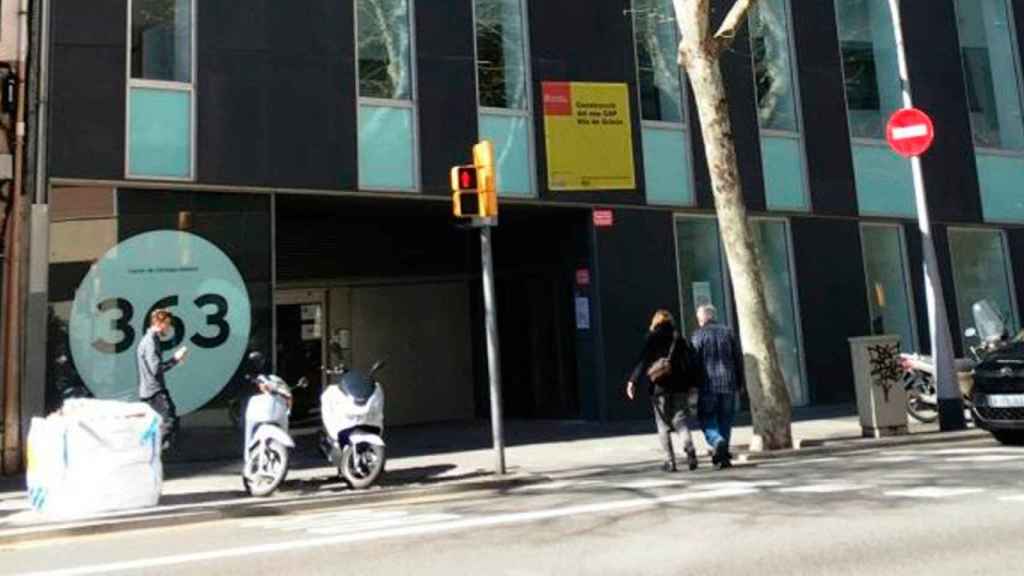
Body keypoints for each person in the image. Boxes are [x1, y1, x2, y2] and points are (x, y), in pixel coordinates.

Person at [626, 310, 699, 472]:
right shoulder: (678, 338)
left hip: (659, 387)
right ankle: (690, 449)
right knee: (680, 420)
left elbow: (643, 361)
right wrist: (692, 384)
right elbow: (690, 362)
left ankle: (670, 461)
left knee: (662, 425)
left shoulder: (652, 338)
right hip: (680, 386)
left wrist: (633, 381)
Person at [691, 304, 743, 469]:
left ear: (701, 319)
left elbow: (694, 363)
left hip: (707, 386)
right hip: (728, 384)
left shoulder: (698, 336)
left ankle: (716, 440)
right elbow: (738, 359)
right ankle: (723, 457)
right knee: (725, 420)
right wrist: (740, 383)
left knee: (707, 419)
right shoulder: (728, 332)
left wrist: (692, 385)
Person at [137, 309, 188, 451]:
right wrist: (175, 359)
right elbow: (156, 369)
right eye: (167, 323)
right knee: (169, 421)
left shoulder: (150, 340)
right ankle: (150, 452)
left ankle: (150, 451)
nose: (168, 327)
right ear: (158, 322)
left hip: (150, 391)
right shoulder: (150, 341)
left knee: (160, 422)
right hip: (154, 391)